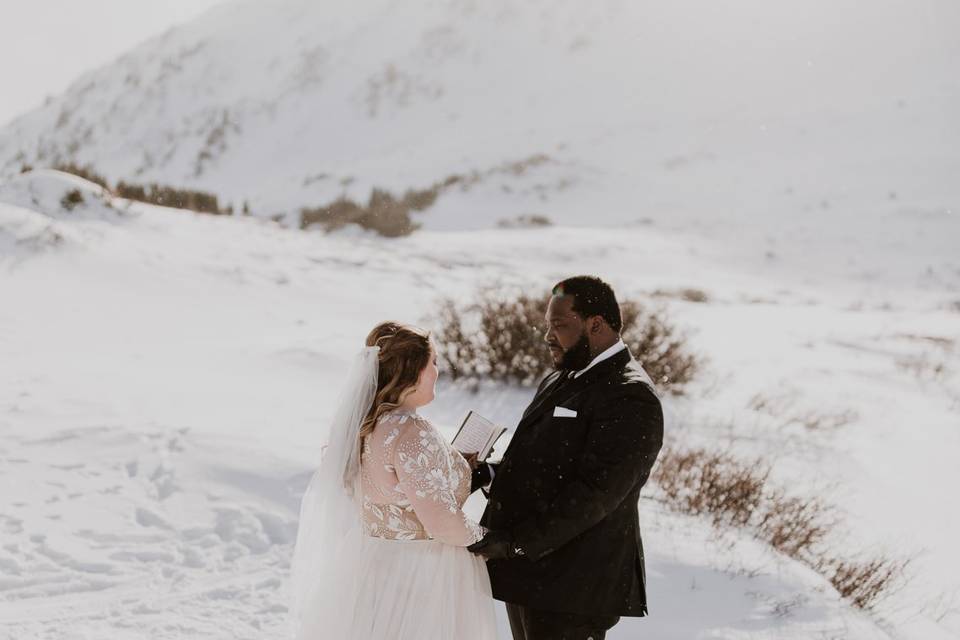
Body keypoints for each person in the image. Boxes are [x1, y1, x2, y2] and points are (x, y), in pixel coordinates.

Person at [469, 276, 664, 640]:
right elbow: (547, 465)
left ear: (596, 324)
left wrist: (515, 543)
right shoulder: (559, 378)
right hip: (533, 577)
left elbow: (596, 495)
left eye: (559, 325)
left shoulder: (631, 396)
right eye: (547, 325)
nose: (547, 336)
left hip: (576, 587)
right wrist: (490, 474)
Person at [289, 321, 497, 640]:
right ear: (412, 374)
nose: (438, 371)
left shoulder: (361, 426)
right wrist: (487, 537)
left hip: (371, 561)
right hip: (424, 572)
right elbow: (442, 523)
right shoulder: (412, 432)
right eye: (434, 363)